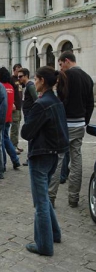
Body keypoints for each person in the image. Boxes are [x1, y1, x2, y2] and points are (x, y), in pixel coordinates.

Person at [21, 66, 69, 256]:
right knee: (44, 199)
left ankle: (44, 245)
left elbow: (26, 132)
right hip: (53, 154)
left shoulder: (42, 104)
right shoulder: (56, 101)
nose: (35, 80)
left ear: (41, 80)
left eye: (36, 78)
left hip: (41, 156)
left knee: (40, 202)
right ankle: (54, 234)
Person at [48, 51, 94, 208]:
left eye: (61, 64)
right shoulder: (88, 78)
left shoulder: (66, 76)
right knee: (76, 160)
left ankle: (51, 197)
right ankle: (73, 198)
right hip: (80, 124)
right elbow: (90, 104)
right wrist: (84, 121)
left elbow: (60, 100)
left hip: (65, 123)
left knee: (58, 160)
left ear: (66, 61)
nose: (60, 67)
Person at [0, 66, 20, 170]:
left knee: (0, 141)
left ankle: (2, 165)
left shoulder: (0, 86)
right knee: (6, 138)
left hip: (1, 117)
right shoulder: (10, 86)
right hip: (8, 117)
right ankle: (15, 160)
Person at [18, 68, 38, 166]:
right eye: (18, 77)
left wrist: (33, 114)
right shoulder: (25, 86)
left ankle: (31, 158)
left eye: (20, 76)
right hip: (27, 115)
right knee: (31, 138)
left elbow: (36, 100)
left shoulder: (30, 86)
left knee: (31, 137)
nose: (19, 78)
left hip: (30, 116)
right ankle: (31, 157)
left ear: (26, 76)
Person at [10, 63, 24, 154]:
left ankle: (15, 144)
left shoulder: (19, 80)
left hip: (19, 106)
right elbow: (10, 92)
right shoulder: (11, 79)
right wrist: (12, 103)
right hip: (14, 107)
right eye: (18, 70)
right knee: (14, 127)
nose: (19, 73)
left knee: (17, 126)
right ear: (14, 70)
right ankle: (12, 147)